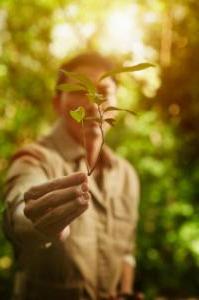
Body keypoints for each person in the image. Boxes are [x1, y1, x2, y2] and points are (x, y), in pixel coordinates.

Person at [3, 52, 140, 300]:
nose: (92, 103)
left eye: (103, 92)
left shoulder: (126, 174)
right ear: (57, 103)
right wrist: (36, 218)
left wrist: (125, 291)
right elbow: (20, 206)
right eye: (79, 91)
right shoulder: (35, 158)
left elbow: (127, 249)